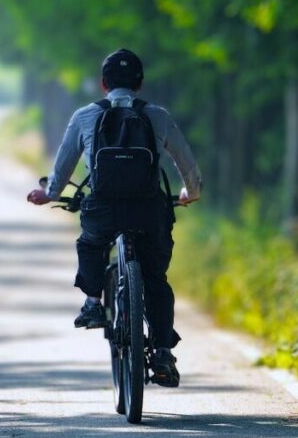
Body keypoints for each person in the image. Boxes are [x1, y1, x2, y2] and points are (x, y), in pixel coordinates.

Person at [26, 48, 202, 387]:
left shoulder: (84, 116)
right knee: (155, 278)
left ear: (103, 84)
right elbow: (186, 162)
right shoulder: (158, 115)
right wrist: (189, 193)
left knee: (91, 242)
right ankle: (162, 349)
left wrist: (48, 193)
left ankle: (93, 302)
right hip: (149, 209)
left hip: (103, 208)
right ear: (140, 83)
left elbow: (62, 168)